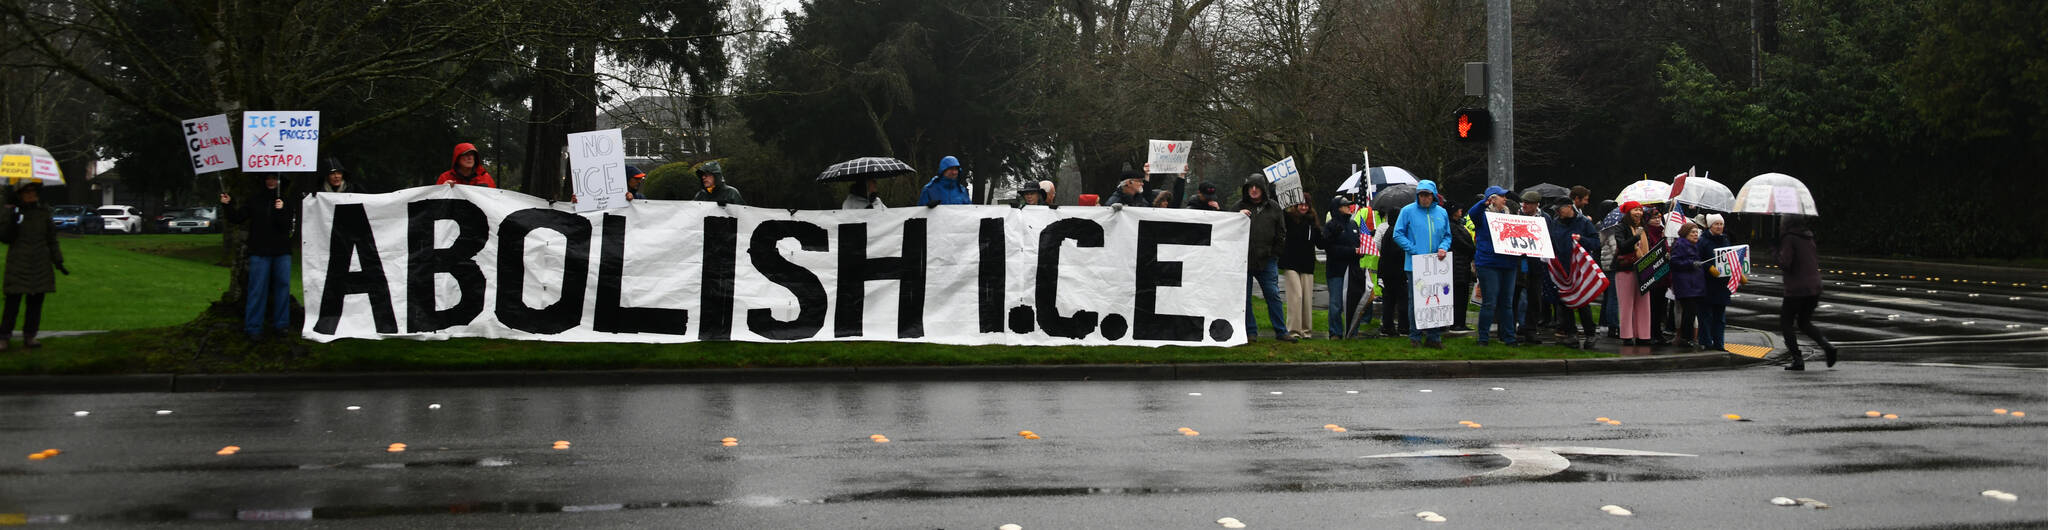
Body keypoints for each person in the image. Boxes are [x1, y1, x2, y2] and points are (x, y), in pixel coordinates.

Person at [221, 173, 298, 340]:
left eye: (274, 179)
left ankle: (282, 325)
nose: (271, 182)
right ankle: (253, 327)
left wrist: (281, 210)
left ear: (280, 182)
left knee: (282, 288)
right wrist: (228, 205)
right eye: (268, 178)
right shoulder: (255, 200)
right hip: (259, 251)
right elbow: (237, 217)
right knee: (257, 289)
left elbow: (287, 227)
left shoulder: (287, 201)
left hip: (281, 251)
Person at [0, 182, 64, 350]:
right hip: (18, 263)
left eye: (34, 191)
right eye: (27, 191)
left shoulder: (43, 212)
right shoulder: (12, 212)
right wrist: (14, 219)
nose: (31, 194)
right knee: (12, 303)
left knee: (35, 303)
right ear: (20, 194)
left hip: (40, 263)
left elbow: (51, 239)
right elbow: (5, 237)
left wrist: (58, 260)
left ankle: (30, 336)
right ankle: (4, 337)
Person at [1392, 180, 1451, 348]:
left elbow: (1447, 235)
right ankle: (1415, 336)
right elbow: (1398, 234)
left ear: (1433, 196)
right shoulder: (1407, 211)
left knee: (1436, 300)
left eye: (1427, 195)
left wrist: (1443, 247)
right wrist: (1413, 249)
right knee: (1416, 301)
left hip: (1437, 265)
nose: (1424, 198)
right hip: (1415, 264)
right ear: (1417, 196)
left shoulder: (1442, 213)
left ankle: (1434, 336)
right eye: (1421, 195)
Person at [1234, 175, 1293, 342]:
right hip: (1243, 261)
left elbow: (1281, 232)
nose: (1253, 190)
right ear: (1246, 189)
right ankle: (1250, 331)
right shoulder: (1238, 207)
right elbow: (1228, 228)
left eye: (1257, 187)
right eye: (1250, 187)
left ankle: (1281, 331)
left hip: (1267, 260)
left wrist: (1274, 254)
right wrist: (1237, 217)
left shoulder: (1273, 207)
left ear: (1262, 189)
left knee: (1273, 295)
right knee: (1244, 298)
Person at [1777, 214, 1835, 370]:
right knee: (1804, 322)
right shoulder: (1808, 236)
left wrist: (1776, 252)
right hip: (1814, 286)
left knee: (1786, 322)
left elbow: (1785, 263)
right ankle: (1826, 345)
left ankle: (1797, 358)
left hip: (1797, 288)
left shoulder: (1789, 238)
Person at [1466, 187, 1519, 346]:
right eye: (1502, 197)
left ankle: (1509, 338)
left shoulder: (1509, 215)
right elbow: (1472, 213)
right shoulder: (1482, 215)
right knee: (1490, 302)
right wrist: (1484, 202)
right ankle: (1483, 338)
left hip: (1508, 263)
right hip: (1489, 264)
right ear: (1493, 199)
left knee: (1507, 303)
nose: (1505, 199)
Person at [1549, 200, 1602, 349]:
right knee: (1565, 304)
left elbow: (1596, 243)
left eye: (1560, 209)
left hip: (1579, 270)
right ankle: (1571, 334)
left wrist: (1582, 240)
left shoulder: (1584, 223)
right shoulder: (1555, 223)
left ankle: (1590, 334)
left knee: (1582, 303)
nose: (1558, 212)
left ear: (1569, 207)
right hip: (1561, 269)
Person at [1278, 199, 1322, 340]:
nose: (1303, 207)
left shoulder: (1312, 223)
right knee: (1296, 297)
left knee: (1307, 300)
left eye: (1306, 205)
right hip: (1291, 263)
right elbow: (1281, 212)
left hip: (1307, 265)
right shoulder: (1289, 219)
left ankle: (1306, 331)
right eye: (1301, 204)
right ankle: (1293, 331)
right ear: (1295, 205)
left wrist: (1332, 234)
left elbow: (1321, 243)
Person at [1321, 196, 1363, 338]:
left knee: (1353, 304)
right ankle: (1335, 332)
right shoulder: (1330, 226)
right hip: (1337, 271)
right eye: (1345, 205)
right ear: (1338, 208)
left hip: (1353, 271)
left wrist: (1361, 251)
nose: (1349, 207)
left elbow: (1359, 244)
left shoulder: (1353, 225)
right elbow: (1330, 249)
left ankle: (1352, 332)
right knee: (1336, 304)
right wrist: (1352, 251)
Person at [1611, 201, 1652, 345]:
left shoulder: (1643, 228)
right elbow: (1622, 246)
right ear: (1628, 212)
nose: (1639, 213)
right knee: (1626, 304)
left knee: (1644, 304)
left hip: (1643, 269)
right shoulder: (1620, 227)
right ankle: (1627, 335)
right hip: (1626, 270)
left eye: (1640, 210)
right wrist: (1636, 237)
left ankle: (1643, 335)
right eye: (1635, 210)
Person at [1514, 191, 1552, 345]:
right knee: (1516, 295)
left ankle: (1531, 329)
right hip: (1520, 261)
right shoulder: (1517, 217)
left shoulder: (1545, 218)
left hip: (1537, 263)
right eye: (1523, 203)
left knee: (1534, 297)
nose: (1524, 206)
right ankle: (1513, 328)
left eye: (1528, 203)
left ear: (1536, 204)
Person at [1697, 214, 1734, 350]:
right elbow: (1697, 260)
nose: (1719, 227)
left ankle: (1719, 343)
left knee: (1720, 317)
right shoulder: (1702, 241)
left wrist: (1737, 271)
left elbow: (1730, 258)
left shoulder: (1725, 240)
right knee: (1705, 316)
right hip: (1706, 284)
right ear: (1710, 226)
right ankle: (1706, 342)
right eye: (1716, 224)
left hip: (1722, 285)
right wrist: (1708, 267)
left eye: (1721, 224)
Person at [1670, 222, 1707, 350]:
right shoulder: (1680, 244)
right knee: (1689, 312)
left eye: (1697, 232)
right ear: (1686, 233)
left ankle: (1689, 337)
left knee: (1691, 312)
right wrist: (1690, 263)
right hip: (1685, 284)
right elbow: (1675, 262)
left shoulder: (1695, 245)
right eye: (1692, 232)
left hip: (1694, 284)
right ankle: (1686, 338)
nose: (1696, 234)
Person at [1446, 198, 1476, 332]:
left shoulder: (1458, 225)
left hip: (1462, 264)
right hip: (1456, 264)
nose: (1461, 211)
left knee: (1462, 295)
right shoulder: (1452, 226)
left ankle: (1461, 322)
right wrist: (1472, 249)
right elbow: (1461, 243)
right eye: (1458, 209)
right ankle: (1457, 323)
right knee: (1458, 296)